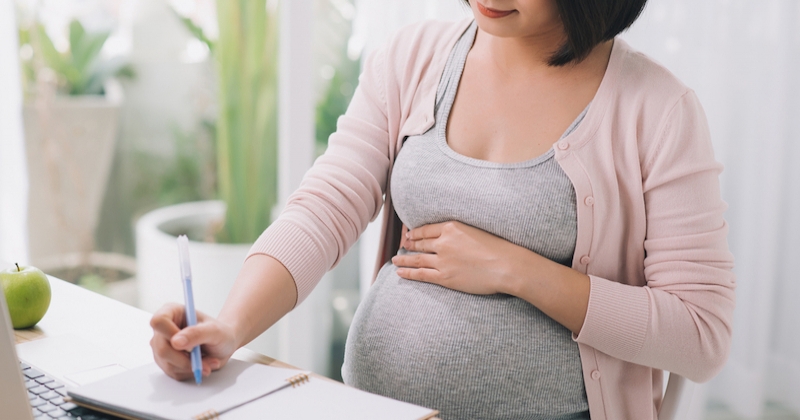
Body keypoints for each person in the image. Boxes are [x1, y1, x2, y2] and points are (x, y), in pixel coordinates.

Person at [149, 1, 736, 419]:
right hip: (373, 406)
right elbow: (325, 207)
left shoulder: (658, 110)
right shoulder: (413, 57)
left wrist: (517, 270)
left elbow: (701, 336)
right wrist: (228, 327)